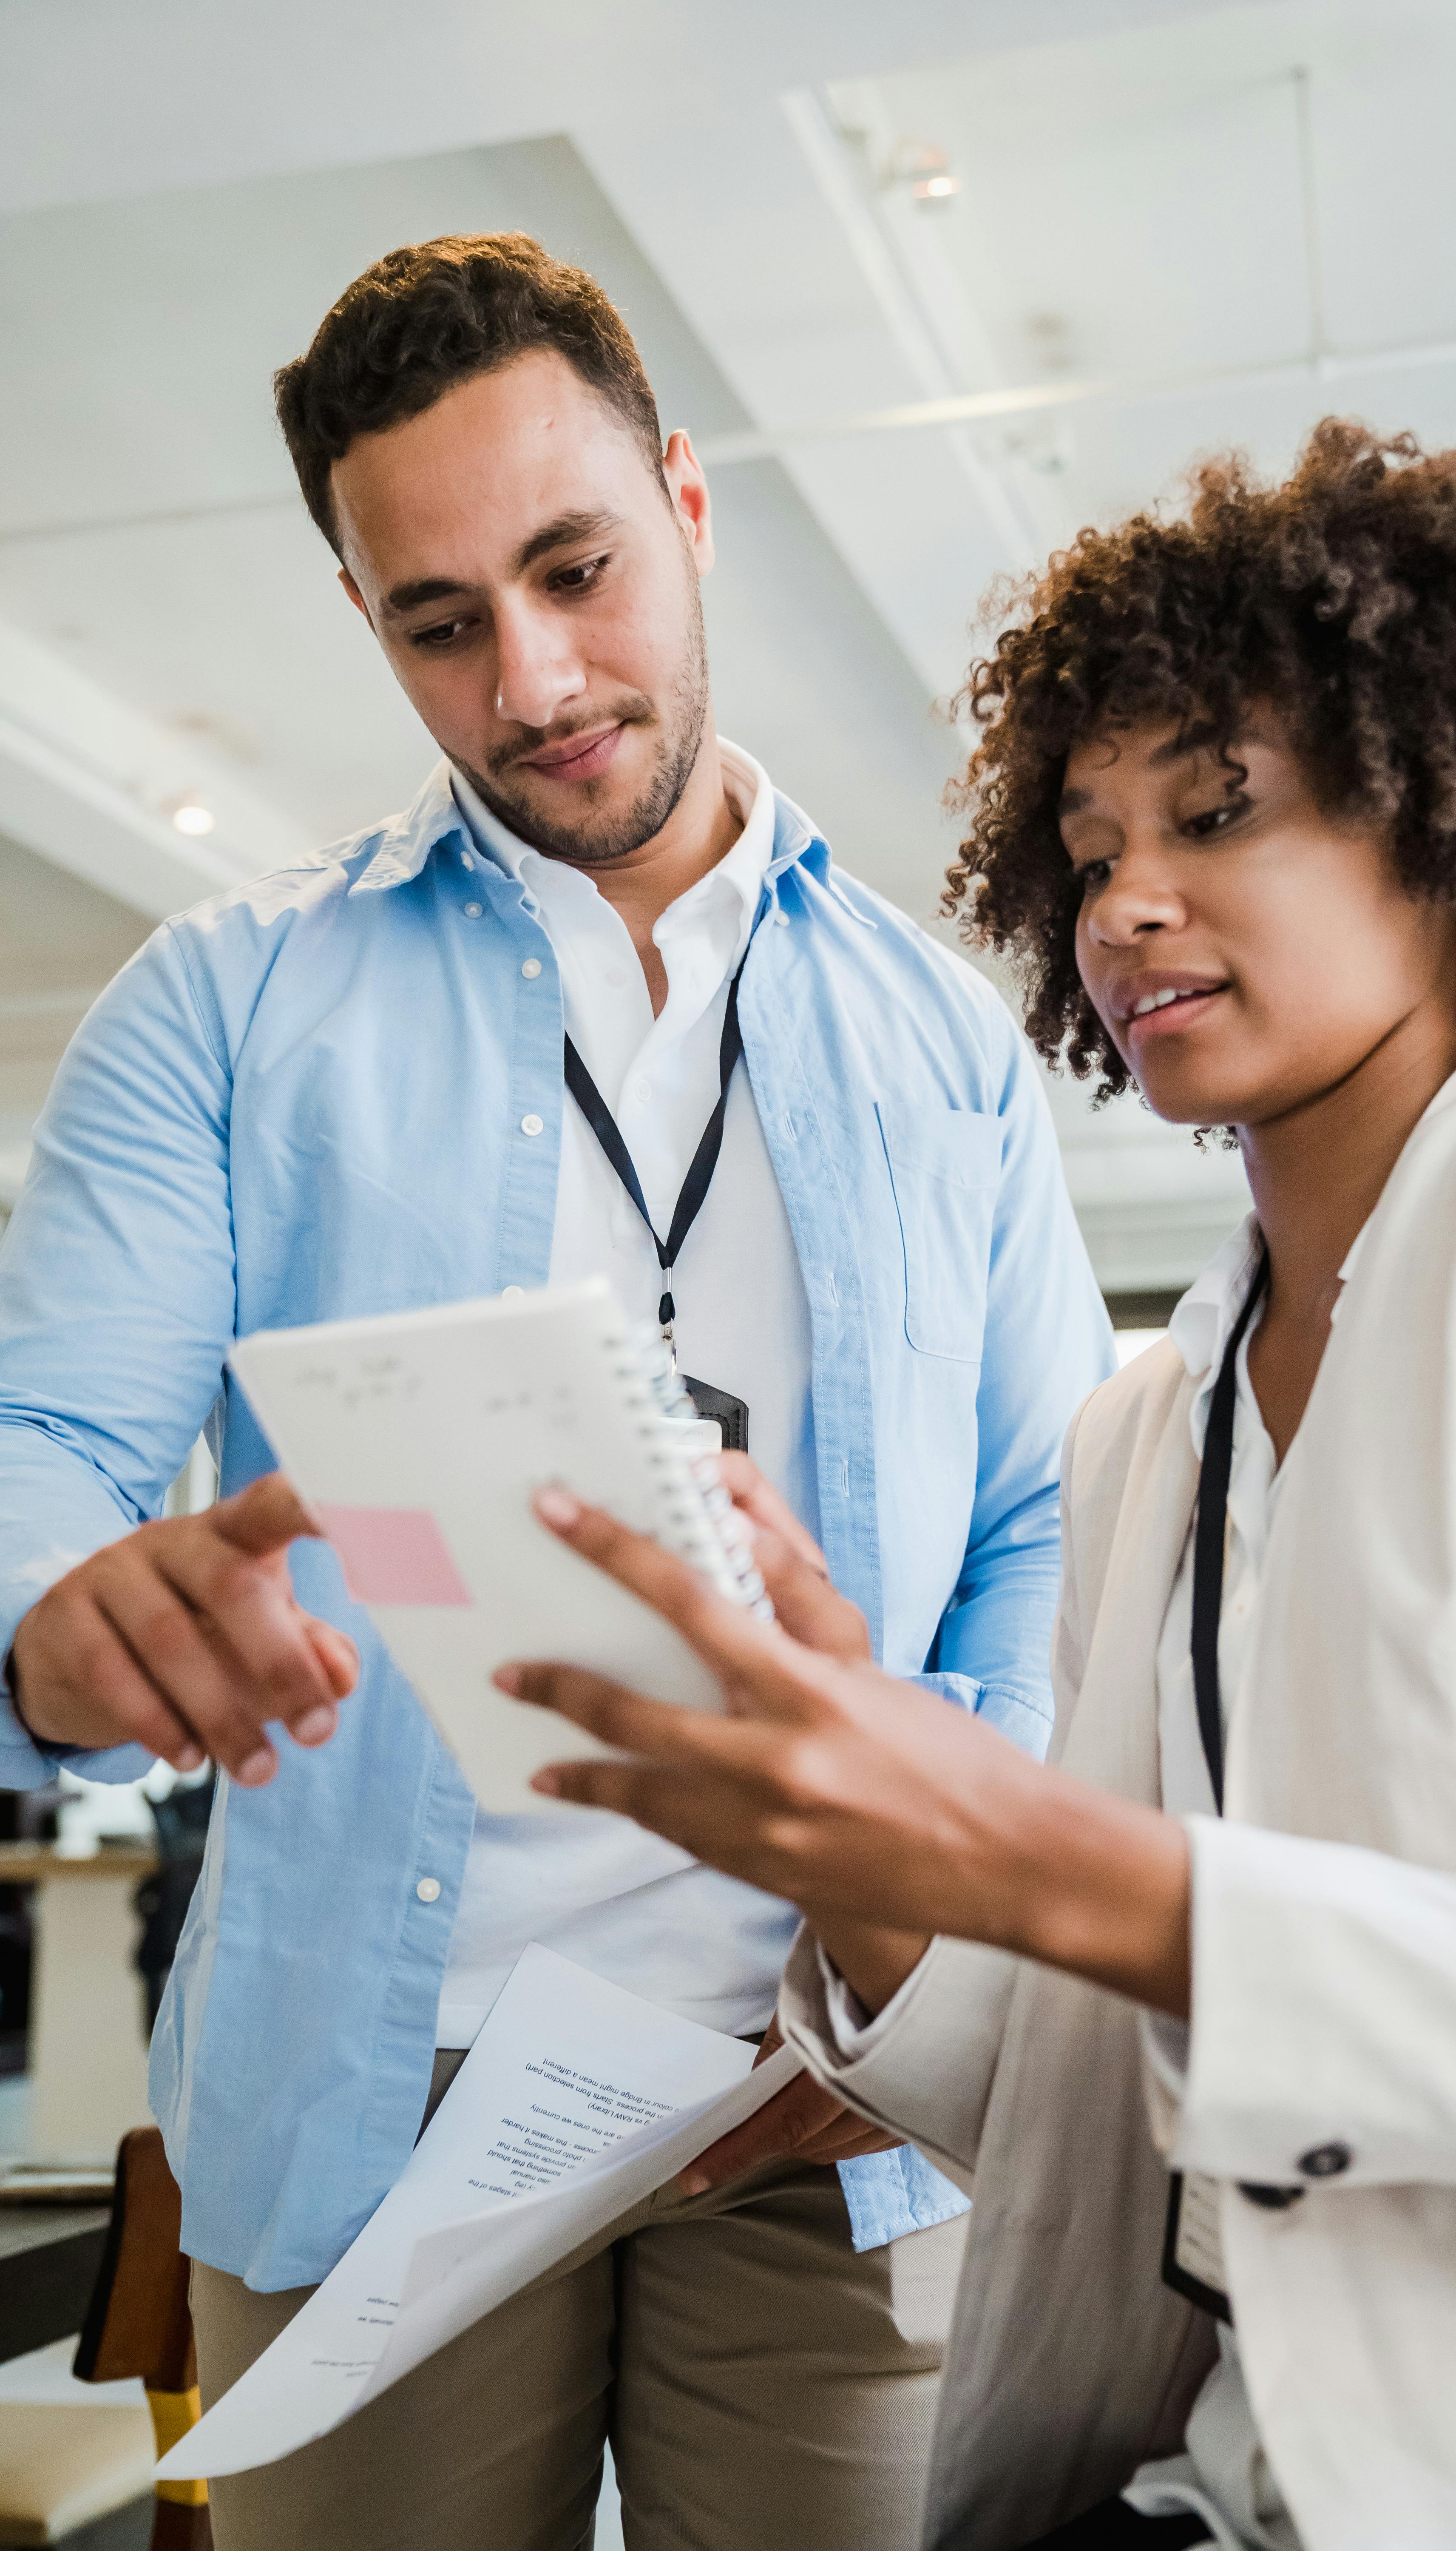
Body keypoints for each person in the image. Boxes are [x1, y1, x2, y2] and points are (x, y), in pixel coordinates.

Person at [0, 233, 1112, 2551]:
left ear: (689, 505)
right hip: (371, 2098)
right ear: (364, 617)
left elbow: (1040, 1521)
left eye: (577, 570)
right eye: (438, 622)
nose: (533, 680)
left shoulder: (939, 1036)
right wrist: (52, 1624)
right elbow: (50, 1448)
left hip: (830, 2093)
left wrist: (918, 1922)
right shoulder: (224, 1006)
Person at [497, 422, 1456, 2551]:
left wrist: (1055, 1860)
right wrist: (871, 1848)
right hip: (1196, 2477)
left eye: (1217, 813)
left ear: (1454, 820)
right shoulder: (1148, 1427)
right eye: (1087, 847)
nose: (1126, 902)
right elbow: (1104, 2115)